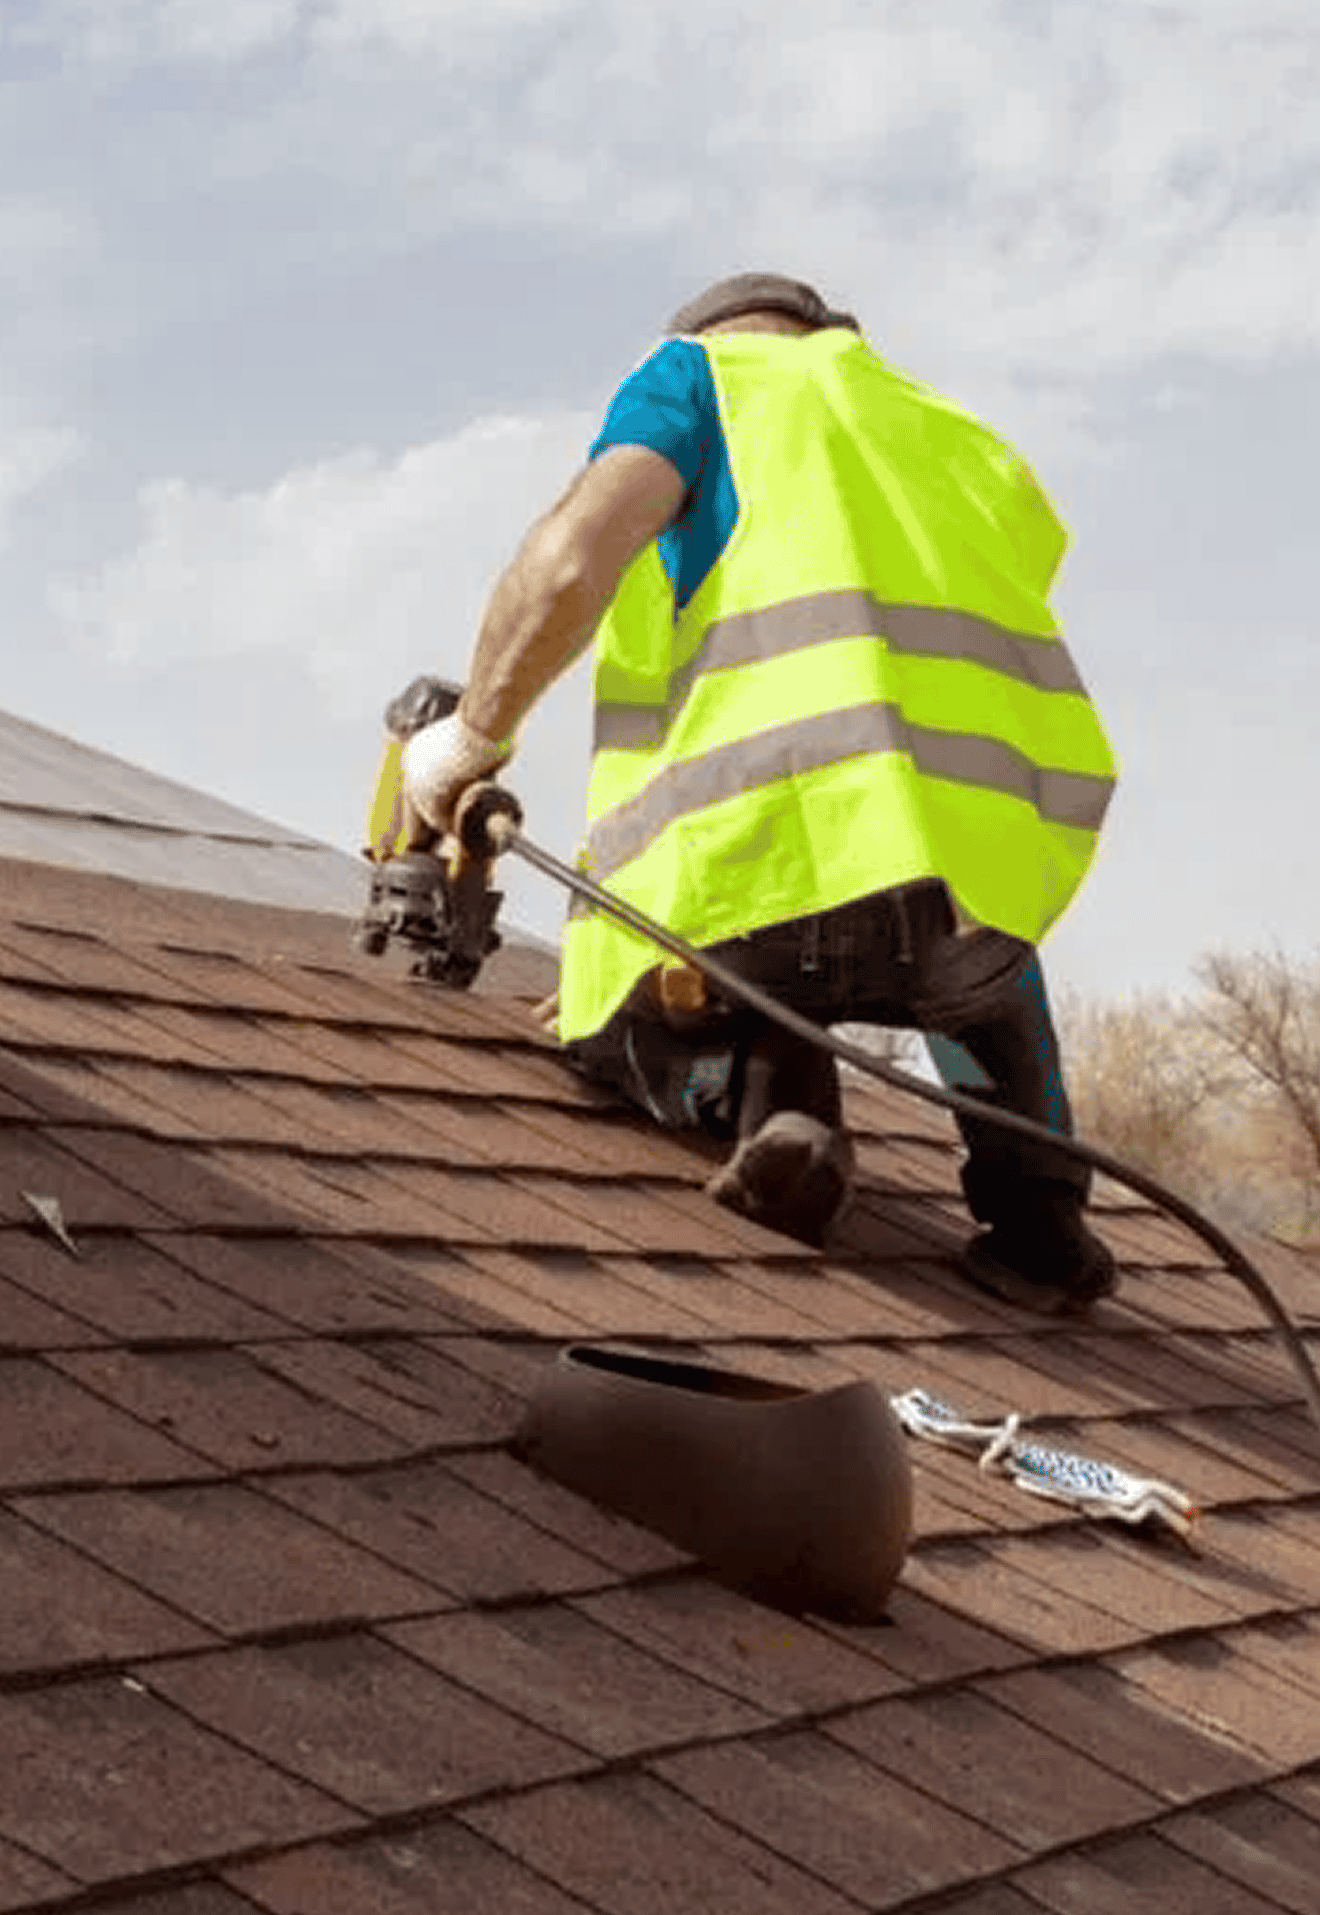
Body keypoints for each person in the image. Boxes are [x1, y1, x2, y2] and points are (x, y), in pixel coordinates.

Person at [395, 272, 1120, 1305]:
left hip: (766, 876)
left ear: (718, 336)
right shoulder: (936, 424)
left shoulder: (699, 381)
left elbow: (566, 563)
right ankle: (1041, 1216)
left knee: (618, 1018)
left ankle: (778, 1112)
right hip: (973, 883)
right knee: (977, 953)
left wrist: (471, 739)